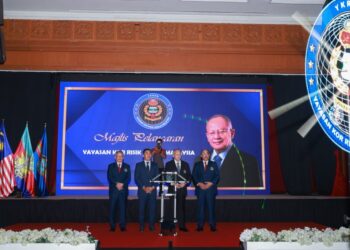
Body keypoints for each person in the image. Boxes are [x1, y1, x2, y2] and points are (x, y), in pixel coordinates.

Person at [206, 114, 262, 188]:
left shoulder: (248, 162)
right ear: (207, 136)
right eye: (212, 133)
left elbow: (254, 196)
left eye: (222, 131)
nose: (217, 136)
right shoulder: (198, 160)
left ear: (232, 133)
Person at [192, 149, 219, 232]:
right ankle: (200, 225)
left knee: (211, 208)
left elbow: (217, 176)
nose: (205, 155)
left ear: (209, 155)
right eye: (203, 153)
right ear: (201, 156)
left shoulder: (213, 164)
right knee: (200, 208)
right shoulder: (197, 165)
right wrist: (200, 184)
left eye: (207, 153)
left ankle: (212, 225)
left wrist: (210, 184)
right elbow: (194, 176)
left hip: (210, 189)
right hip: (200, 189)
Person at [164, 149, 191, 232]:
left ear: (181, 155)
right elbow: (166, 177)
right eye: (176, 154)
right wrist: (174, 183)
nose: (178, 155)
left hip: (182, 189)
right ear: (173, 155)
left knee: (181, 208)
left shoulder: (185, 164)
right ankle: (171, 226)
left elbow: (189, 177)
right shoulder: (169, 164)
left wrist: (185, 183)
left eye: (179, 154)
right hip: (173, 189)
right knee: (172, 208)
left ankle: (182, 225)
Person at [134, 148, 159, 232]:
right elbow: (137, 178)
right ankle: (141, 226)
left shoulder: (155, 165)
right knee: (141, 209)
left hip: (152, 191)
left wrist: (152, 187)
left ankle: (151, 226)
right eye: (146, 153)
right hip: (142, 191)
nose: (148, 155)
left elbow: (158, 178)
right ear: (143, 155)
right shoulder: (138, 165)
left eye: (150, 153)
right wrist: (144, 187)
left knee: (152, 209)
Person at [107, 150, 131, 232]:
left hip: (123, 190)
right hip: (114, 190)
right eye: (118, 156)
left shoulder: (127, 166)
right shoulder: (110, 166)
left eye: (121, 156)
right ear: (115, 157)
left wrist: (122, 184)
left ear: (123, 157)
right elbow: (110, 177)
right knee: (112, 208)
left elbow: (128, 178)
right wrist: (116, 184)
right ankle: (112, 226)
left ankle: (122, 225)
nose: (120, 157)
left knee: (122, 209)